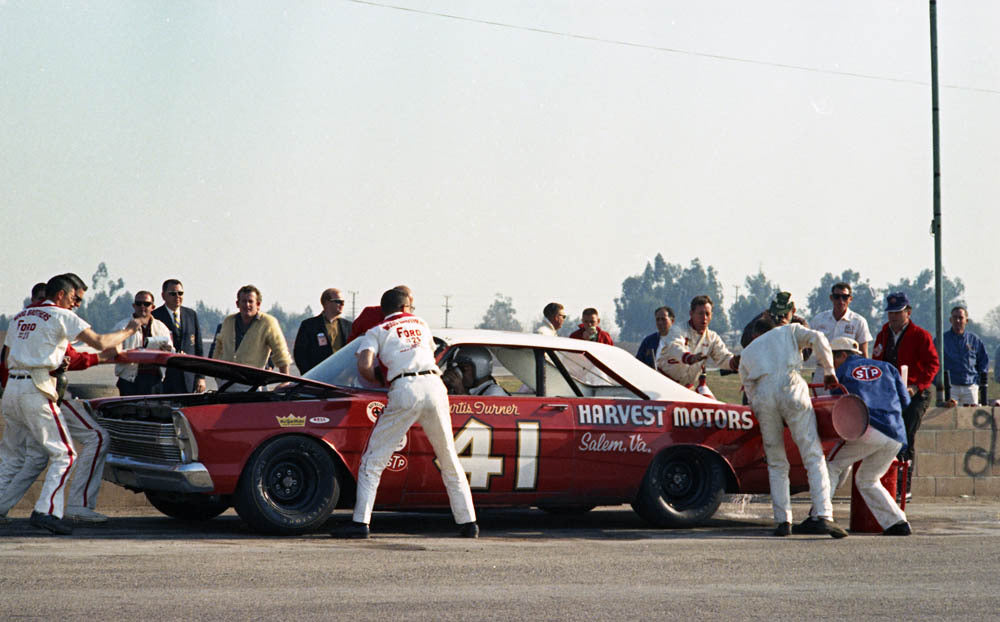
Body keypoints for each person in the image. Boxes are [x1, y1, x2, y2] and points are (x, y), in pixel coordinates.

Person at [0, 274, 147, 534]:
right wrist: (130, 330)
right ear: (61, 295)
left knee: (12, 458)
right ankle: (46, 510)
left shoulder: (20, 317)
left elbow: (8, 357)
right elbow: (99, 342)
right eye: (74, 298)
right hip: (37, 388)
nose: (75, 304)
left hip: (11, 389)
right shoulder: (61, 315)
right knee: (65, 454)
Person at [331, 289, 477, 539]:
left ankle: (360, 523)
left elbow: (364, 367)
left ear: (383, 309)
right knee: (449, 458)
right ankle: (468, 522)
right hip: (435, 387)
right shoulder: (421, 323)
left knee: (373, 460)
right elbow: (427, 354)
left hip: (405, 388)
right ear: (406, 306)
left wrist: (378, 378)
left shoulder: (376, 331)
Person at [739, 313, 847, 538]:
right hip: (791, 385)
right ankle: (824, 515)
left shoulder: (747, 352)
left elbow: (748, 391)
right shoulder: (789, 330)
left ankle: (783, 521)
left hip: (763, 394)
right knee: (812, 454)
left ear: (756, 334)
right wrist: (829, 371)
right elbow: (818, 337)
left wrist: (764, 408)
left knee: (776, 462)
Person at [823, 337, 911, 536]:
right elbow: (905, 401)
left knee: (831, 465)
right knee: (867, 479)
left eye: (833, 357)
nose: (831, 363)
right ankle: (897, 522)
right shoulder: (888, 367)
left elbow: (837, 405)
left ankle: (821, 516)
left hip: (868, 429)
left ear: (843, 355)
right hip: (896, 434)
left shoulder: (842, 371)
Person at [872, 292, 940, 460]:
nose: (893, 316)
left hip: (916, 394)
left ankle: (904, 482)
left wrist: (916, 387)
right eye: (891, 312)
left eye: (897, 312)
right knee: (886, 437)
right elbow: (876, 363)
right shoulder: (883, 335)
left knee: (907, 436)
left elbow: (932, 364)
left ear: (908, 312)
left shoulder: (920, 335)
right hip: (890, 395)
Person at [657, 295, 738, 391]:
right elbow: (675, 347)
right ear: (691, 314)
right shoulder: (678, 330)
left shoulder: (712, 338)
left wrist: (736, 362)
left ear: (711, 315)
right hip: (664, 383)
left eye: (707, 314)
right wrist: (689, 358)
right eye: (700, 313)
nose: (704, 318)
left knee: (711, 404)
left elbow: (723, 357)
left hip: (687, 388)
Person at [212, 285, 292, 373]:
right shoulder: (228, 321)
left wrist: (285, 381)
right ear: (237, 304)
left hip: (253, 379)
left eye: (250, 301)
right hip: (226, 377)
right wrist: (215, 372)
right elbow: (218, 347)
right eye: (244, 301)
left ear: (258, 304)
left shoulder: (268, 323)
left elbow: (281, 353)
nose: (247, 305)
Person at [114, 290, 174, 396]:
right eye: (139, 303)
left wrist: (167, 350)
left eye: (146, 304)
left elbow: (171, 351)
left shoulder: (162, 327)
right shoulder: (122, 327)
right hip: (130, 380)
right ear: (134, 306)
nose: (142, 306)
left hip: (154, 380)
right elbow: (114, 353)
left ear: (153, 307)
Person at [152, 279, 206, 393]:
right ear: (163, 295)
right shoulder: (155, 317)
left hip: (188, 378)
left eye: (180, 293)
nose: (177, 296)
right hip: (165, 379)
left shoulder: (191, 315)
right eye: (172, 293)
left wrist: (201, 377)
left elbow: (198, 349)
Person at [293, 288, 353, 374]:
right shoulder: (309, 325)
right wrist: (309, 375)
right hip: (318, 379)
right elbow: (300, 354)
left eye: (343, 302)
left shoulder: (349, 326)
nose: (342, 305)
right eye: (338, 301)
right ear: (326, 303)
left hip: (342, 378)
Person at [942, 306, 989, 406]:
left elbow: (983, 362)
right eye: (955, 317)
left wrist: (978, 383)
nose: (958, 320)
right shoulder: (942, 340)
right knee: (949, 419)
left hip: (970, 388)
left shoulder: (974, 340)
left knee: (970, 419)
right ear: (951, 320)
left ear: (966, 320)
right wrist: (940, 384)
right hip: (951, 388)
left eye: (961, 317)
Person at [739, 292, 809, 348]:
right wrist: (766, 327)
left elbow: (806, 353)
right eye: (777, 312)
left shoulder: (800, 324)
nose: (780, 317)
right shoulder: (765, 318)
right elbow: (745, 342)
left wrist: (787, 331)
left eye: (784, 314)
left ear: (793, 311)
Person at [346, 285, 412, 343]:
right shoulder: (370, 313)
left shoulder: (411, 322)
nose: (409, 310)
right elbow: (351, 342)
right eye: (409, 306)